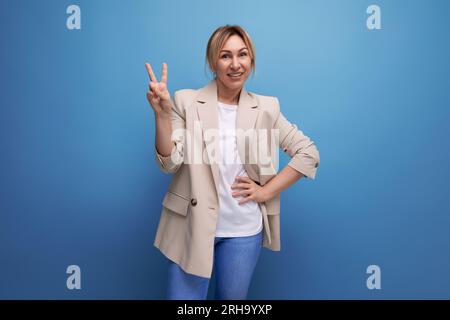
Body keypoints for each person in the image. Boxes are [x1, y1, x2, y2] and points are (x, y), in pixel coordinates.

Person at [144, 25, 320, 300]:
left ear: (251, 60)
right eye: (226, 56)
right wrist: (162, 115)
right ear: (213, 62)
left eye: (243, 55)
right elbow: (169, 163)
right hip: (191, 227)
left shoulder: (267, 108)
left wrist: (265, 192)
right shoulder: (186, 101)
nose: (235, 64)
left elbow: (308, 153)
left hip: (243, 232)